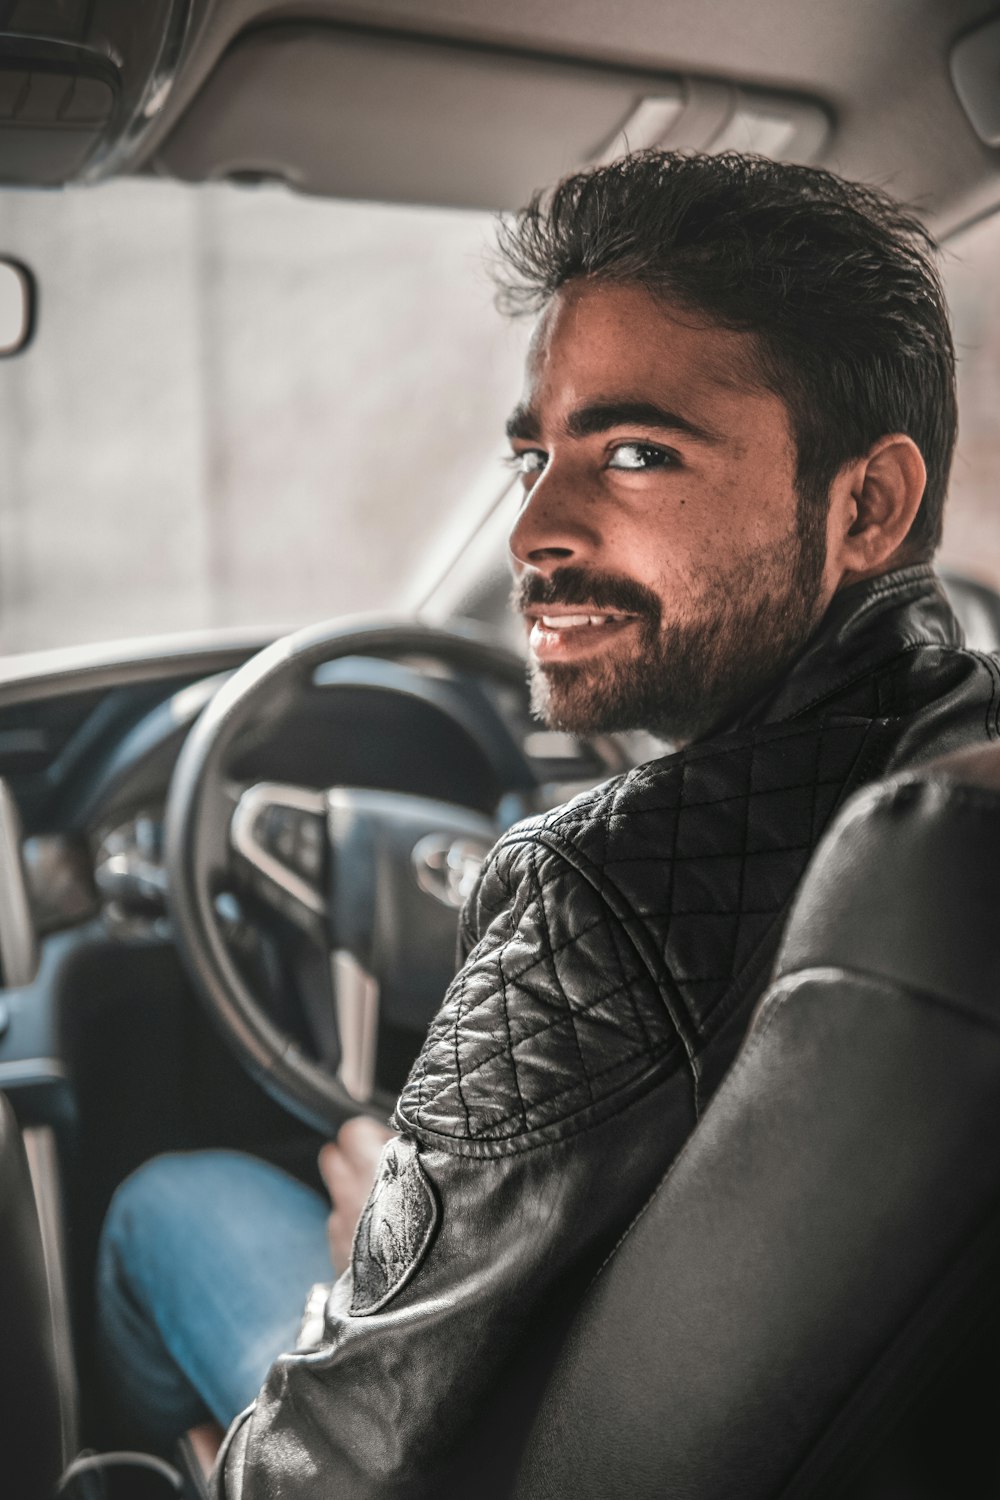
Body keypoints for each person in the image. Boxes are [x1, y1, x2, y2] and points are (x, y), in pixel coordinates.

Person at [97, 150, 1000, 1496]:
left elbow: (325, 1462)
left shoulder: (593, 897)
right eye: (535, 454)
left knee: (160, 1209)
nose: (534, 528)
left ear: (866, 503)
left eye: (636, 454)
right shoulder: (960, 775)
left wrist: (381, 1259)